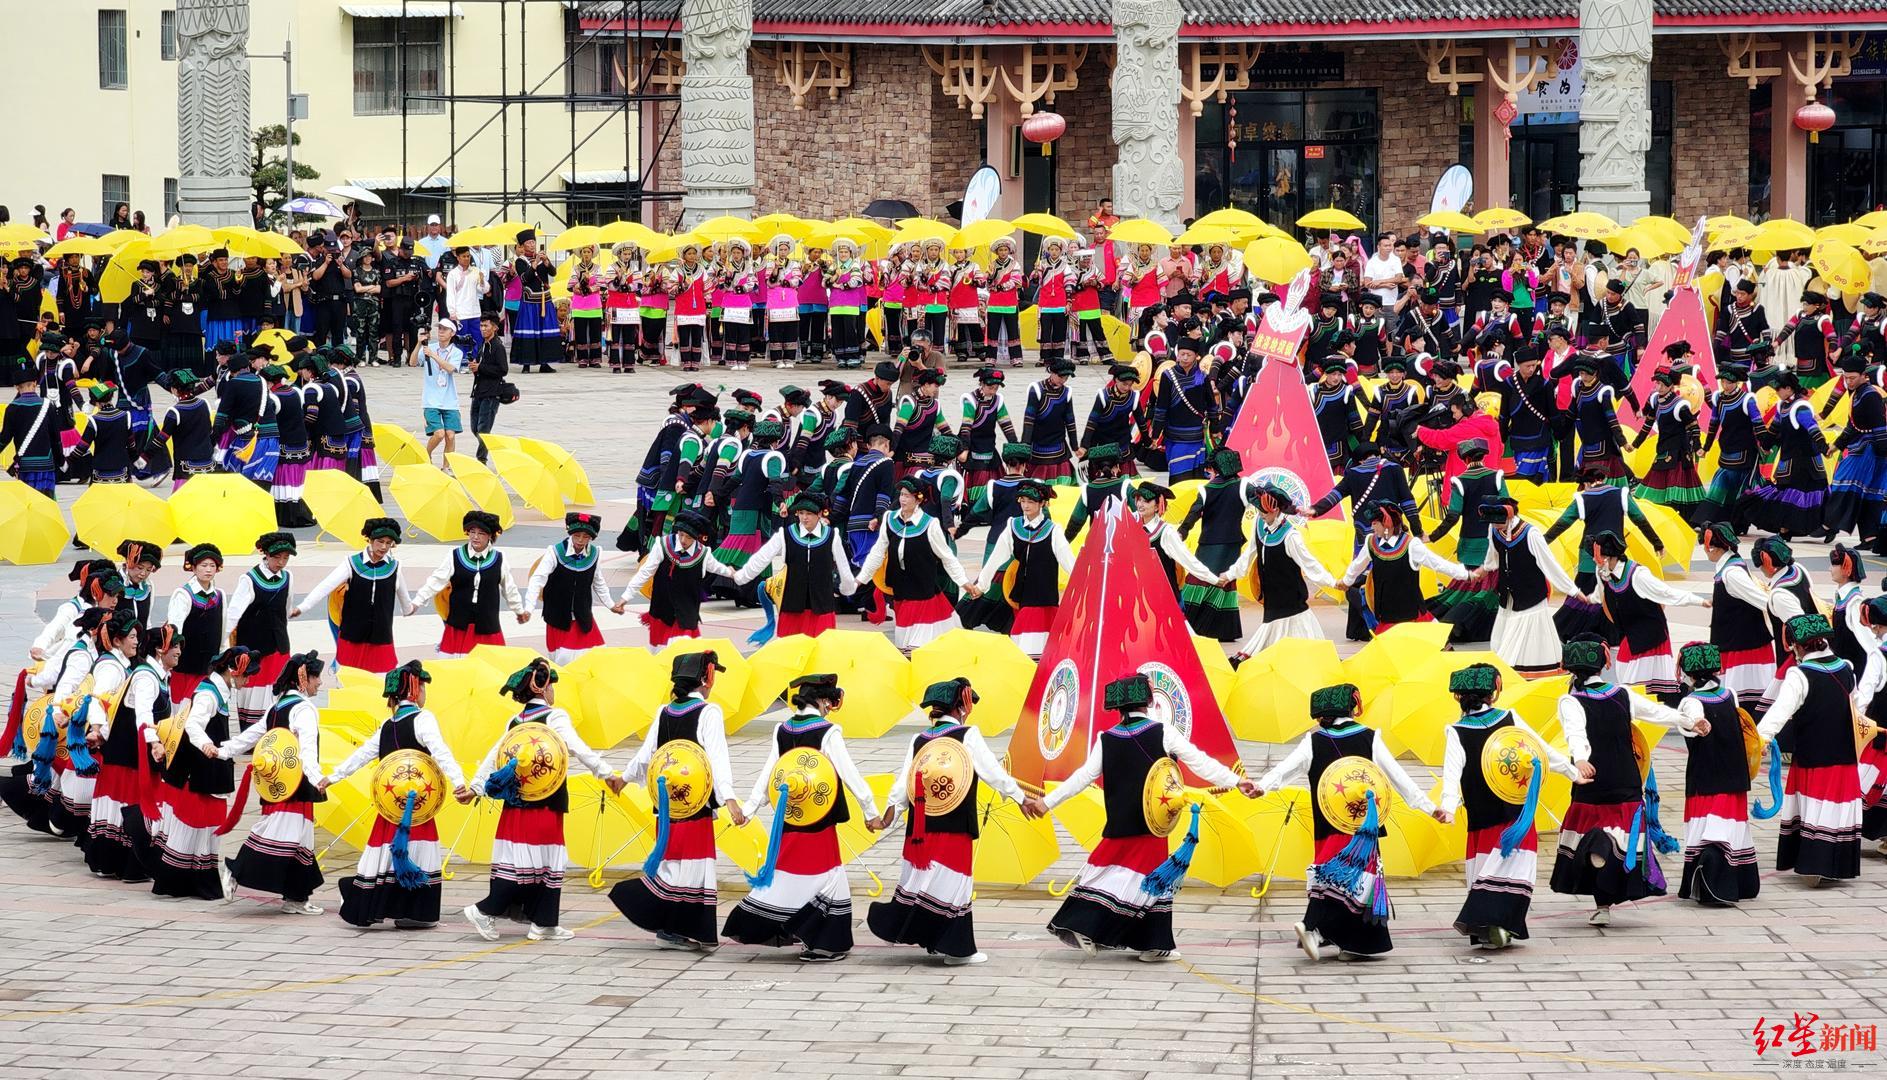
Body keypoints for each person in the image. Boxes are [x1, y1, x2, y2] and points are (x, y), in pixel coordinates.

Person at [1042, 673, 1257, 961]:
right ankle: (1149, 944)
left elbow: (1081, 778)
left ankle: (1133, 939)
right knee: (1154, 881)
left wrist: (1047, 802)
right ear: (1148, 701)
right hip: (1152, 823)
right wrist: (1236, 781)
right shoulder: (1163, 732)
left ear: (1118, 707)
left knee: (1108, 872)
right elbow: (1199, 761)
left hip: (1120, 821)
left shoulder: (1106, 739)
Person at [865, 677, 1043, 965]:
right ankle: (955, 949)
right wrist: (1022, 798)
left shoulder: (919, 739)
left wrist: (889, 816)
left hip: (920, 825)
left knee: (917, 878)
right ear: (961, 706)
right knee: (953, 882)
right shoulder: (967, 735)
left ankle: (899, 926)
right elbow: (993, 773)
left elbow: (904, 784)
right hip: (953, 822)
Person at [722, 673, 882, 962]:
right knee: (826, 875)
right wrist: (871, 812)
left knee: (791, 870)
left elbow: (770, 772)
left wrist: (749, 809)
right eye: (828, 702)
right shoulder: (828, 732)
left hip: (790, 814)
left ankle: (791, 924)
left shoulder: (782, 729)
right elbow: (850, 776)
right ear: (821, 700)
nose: (828, 708)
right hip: (818, 816)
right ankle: (823, 941)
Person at [464, 660, 621, 942]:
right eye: (552, 686)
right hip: (544, 802)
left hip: (517, 803)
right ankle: (484, 910)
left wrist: (476, 786)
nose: (553, 692)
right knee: (539, 863)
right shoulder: (554, 717)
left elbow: (493, 756)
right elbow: (575, 746)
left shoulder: (515, 722)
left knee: (530, 861)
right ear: (544, 686)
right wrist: (606, 772)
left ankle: (544, 923)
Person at [1438, 663, 1584, 949]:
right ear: (1493, 693)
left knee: (1484, 868)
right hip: (1515, 813)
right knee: (1516, 866)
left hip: (1482, 814)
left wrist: (1449, 807)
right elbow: (1540, 749)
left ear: (1459, 697)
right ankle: (1500, 923)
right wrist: (1571, 771)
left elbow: (1451, 774)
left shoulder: (1456, 731)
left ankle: (1488, 924)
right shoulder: (1509, 718)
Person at [325, 661, 473, 928]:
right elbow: (441, 752)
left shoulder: (386, 725)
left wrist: (333, 777)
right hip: (417, 806)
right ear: (414, 690)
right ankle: (414, 912)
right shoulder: (423, 718)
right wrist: (459, 782)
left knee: (383, 853)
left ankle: (365, 898)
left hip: (391, 806)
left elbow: (361, 756)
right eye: (424, 687)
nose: (426, 693)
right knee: (418, 851)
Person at [1547, 636, 1683, 926]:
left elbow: (1575, 733)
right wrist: (1686, 721)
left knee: (1594, 836)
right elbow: (1656, 712)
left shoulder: (1571, 700)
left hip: (1592, 779)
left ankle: (1603, 899)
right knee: (1621, 836)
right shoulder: (1621, 694)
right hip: (1626, 778)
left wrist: (1582, 759)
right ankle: (1605, 877)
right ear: (1603, 663)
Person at [612, 651, 743, 951]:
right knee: (695, 865)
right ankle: (675, 927)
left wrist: (624, 778)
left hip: (667, 803)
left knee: (672, 861)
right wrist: (729, 798)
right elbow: (718, 760)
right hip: (695, 802)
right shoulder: (709, 713)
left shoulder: (664, 712)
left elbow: (645, 757)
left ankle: (671, 927)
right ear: (705, 678)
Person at [214, 651, 328, 914]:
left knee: (301, 840)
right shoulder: (304, 710)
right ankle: (235, 870)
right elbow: (307, 750)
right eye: (317, 677)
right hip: (296, 784)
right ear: (303, 679)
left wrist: (223, 750)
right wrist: (317, 777)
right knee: (281, 835)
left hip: (278, 784)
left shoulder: (276, 708)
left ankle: (296, 898)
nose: (319, 683)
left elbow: (249, 737)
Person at [1756, 613, 1864, 885]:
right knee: (1837, 807)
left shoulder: (1799, 674)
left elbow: (1780, 712)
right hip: (1845, 755)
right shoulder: (1846, 668)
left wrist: (1759, 739)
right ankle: (1835, 864)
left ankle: (1816, 862)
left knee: (1816, 805)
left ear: (1799, 646)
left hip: (1814, 755)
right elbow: (1858, 708)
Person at [152, 646, 258, 901]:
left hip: (206, 768)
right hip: (199, 768)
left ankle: (193, 880)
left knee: (204, 826)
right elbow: (192, 724)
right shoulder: (209, 695)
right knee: (197, 823)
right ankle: (185, 881)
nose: (249, 680)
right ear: (233, 672)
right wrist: (205, 744)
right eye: (247, 674)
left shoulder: (218, 689)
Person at [83, 619, 180, 882]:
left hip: (132, 752)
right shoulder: (143, 676)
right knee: (127, 804)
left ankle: (126, 863)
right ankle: (122, 863)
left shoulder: (154, 675)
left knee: (130, 806)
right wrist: (154, 742)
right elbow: (139, 715)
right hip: (127, 754)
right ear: (160, 650)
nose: (180, 651)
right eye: (175, 646)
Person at [1667, 643, 1761, 906]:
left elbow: (1693, 716)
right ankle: (1738, 883)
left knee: (1708, 827)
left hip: (1705, 777)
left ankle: (1712, 885)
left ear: (1690, 674)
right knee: (1729, 826)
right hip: (1734, 776)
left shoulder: (1690, 701)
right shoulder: (1729, 694)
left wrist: (1698, 722)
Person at [1226, 484, 1340, 662]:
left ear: (1277, 510)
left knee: (1307, 658)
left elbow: (1310, 565)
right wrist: (1229, 575)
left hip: (1293, 604)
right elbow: (1248, 555)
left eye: (1265, 512)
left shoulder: (1290, 536)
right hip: (1272, 603)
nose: (1261, 515)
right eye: (1260, 511)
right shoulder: (1260, 526)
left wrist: (1333, 583)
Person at [1590, 531, 1708, 702]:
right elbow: (1602, 594)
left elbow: (1666, 593)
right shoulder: (1603, 571)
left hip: (1650, 632)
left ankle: (1685, 701)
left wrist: (1698, 601)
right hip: (1630, 632)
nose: (1596, 562)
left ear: (1609, 558)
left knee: (1637, 684)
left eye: (1599, 558)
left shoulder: (1638, 575)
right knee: (1626, 671)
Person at [856, 478, 973, 649]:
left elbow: (947, 557)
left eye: (908, 496)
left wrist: (964, 582)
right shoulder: (889, 519)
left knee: (917, 646)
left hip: (923, 592)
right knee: (903, 641)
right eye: (901, 495)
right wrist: (861, 579)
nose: (902, 499)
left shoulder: (930, 524)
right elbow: (877, 552)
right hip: (901, 592)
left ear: (919, 499)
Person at [290, 518, 416, 674]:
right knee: (348, 680)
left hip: (381, 636)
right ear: (369, 540)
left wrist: (416, 603)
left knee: (382, 684)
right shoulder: (351, 563)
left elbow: (406, 604)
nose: (384, 547)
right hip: (352, 635)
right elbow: (325, 586)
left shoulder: (395, 567)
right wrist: (302, 607)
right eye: (380, 541)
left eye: (389, 543)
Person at [969, 479, 1076, 656]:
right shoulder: (1013, 525)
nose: (1025, 506)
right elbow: (996, 558)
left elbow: (1070, 563)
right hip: (1021, 594)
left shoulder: (1053, 530)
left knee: (1042, 644)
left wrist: (1083, 589)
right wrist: (981, 585)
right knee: (1025, 642)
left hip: (1044, 595)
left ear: (1042, 503)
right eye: (1022, 501)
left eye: (1031, 502)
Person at [730, 492, 859, 637]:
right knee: (790, 653)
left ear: (820, 514)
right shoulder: (785, 535)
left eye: (809, 513)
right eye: (801, 513)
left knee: (822, 652)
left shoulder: (832, 536)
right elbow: (761, 557)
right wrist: (741, 576)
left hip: (822, 606)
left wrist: (848, 587)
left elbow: (843, 565)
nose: (804, 517)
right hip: (792, 606)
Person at [1336, 502, 1477, 633]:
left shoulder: (1411, 545)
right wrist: (1346, 582)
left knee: (1438, 651)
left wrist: (1466, 575)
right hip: (1387, 616)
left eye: (1375, 523)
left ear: (1387, 523)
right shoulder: (1371, 543)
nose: (1372, 527)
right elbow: (1357, 566)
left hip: (1414, 615)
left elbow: (1438, 564)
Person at [413, 510, 529, 656]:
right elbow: (436, 580)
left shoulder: (499, 559)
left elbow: (509, 588)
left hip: (487, 625)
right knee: (456, 670)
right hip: (459, 625)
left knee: (489, 669)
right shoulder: (454, 556)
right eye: (472, 532)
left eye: (481, 533)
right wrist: (417, 601)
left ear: (490, 536)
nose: (475, 537)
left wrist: (519, 610)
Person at [625, 511, 739, 646]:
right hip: (662, 608)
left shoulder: (703, 553)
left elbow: (716, 567)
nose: (684, 540)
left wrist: (730, 573)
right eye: (681, 535)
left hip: (687, 610)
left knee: (684, 648)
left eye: (689, 537)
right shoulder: (662, 545)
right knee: (660, 652)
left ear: (696, 537)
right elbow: (645, 572)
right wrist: (625, 597)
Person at [1741, 372, 1828, 540]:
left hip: (1806, 461)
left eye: (1779, 388)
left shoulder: (1801, 407)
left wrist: (1824, 447)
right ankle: (1786, 529)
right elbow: (1774, 430)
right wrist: (1765, 446)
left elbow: (1813, 428)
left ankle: (1794, 529)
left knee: (1804, 495)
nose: (1776, 392)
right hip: (1790, 460)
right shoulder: (1783, 406)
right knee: (1787, 493)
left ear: (1789, 388)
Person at [526, 513, 623, 663]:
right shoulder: (554, 552)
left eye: (586, 537)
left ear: (592, 537)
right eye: (577, 535)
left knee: (593, 658)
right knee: (563, 660)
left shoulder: (595, 554)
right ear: (570, 533)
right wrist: (529, 607)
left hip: (582, 617)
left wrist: (611, 605)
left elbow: (598, 582)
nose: (580, 540)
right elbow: (537, 579)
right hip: (558, 617)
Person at [1176, 449, 1251, 642]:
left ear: (1215, 468)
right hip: (1232, 543)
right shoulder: (1243, 485)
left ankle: (1187, 625)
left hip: (1209, 543)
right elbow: (1263, 501)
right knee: (1224, 583)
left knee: (1199, 579)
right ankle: (1223, 630)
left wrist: (1181, 533)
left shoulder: (1206, 489)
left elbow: (1193, 514)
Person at [226, 532, 298, 729]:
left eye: (286, 557)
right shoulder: (249, 579)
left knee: (277, 688)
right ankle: (252, 736)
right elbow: (233, 613)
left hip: (279, 645)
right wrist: (222, 639)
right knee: (252, 692)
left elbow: (286, 609)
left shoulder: (288, 577)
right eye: (277, 557)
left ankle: (275, 731)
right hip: (254, 646)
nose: (281, 562)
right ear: (265, 554)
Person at [1697, 363, 1762, 524]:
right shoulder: (1718, 398)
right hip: (1726, 447)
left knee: (1740, 487)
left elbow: (1758, 425)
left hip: (1745, 449)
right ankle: (1709, 518)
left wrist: (1765, 445)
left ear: (1736, 383)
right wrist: (1706, 447)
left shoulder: (1747, 400)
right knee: (1721, 483)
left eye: (1728, 382)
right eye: (1723, 382)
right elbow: (1713, 425)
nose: (1725, 386)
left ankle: (1738, 521)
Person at [165, 543, 226, 702]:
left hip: (209, 663)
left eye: (212, 565)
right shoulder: (183, 594)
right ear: (193, 568)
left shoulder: (219, 595)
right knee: (181, 706)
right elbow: (174, 628)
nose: (208, 570)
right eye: (203, 565)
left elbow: (222, 628)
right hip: (186, 662)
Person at [414, 318, 465, 462]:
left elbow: (450, 368)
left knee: (450, 435)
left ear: (452, 333)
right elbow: (413, 362)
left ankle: (447, 466)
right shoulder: (430, 347)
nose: (441, 331)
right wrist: (419, 343)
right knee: (439, 433)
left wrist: (433, 355)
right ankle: (426, 453)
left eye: (445, 329)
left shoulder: (456, 352)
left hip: (450, 400)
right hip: (431, 400)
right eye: (440, 328)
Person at [511, 229, 561, 373]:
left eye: (533, 242)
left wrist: (546, 262)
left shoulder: (542, 258)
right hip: (530, 302)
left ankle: (544, 363)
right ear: (522, 245)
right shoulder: (520, 261)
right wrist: (534, 265)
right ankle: (526, 363)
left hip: (545, 299)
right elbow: (525, 279)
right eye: (528, 243)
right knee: (530, 331)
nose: (532, 245)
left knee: (544, 331)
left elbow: (553, 273)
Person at [468, 313, 508, 464]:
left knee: (483, 429)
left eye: (486, 326)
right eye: (481, 325)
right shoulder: (483, 345)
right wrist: (475, 367)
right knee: (474, 427)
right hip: (479, 390)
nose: (483, 329)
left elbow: (503, 370)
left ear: (495, 328)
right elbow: (481, 366)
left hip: (491, 392)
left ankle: (481, 458)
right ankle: (487, 447)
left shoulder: (498, 347)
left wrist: (481, 367)